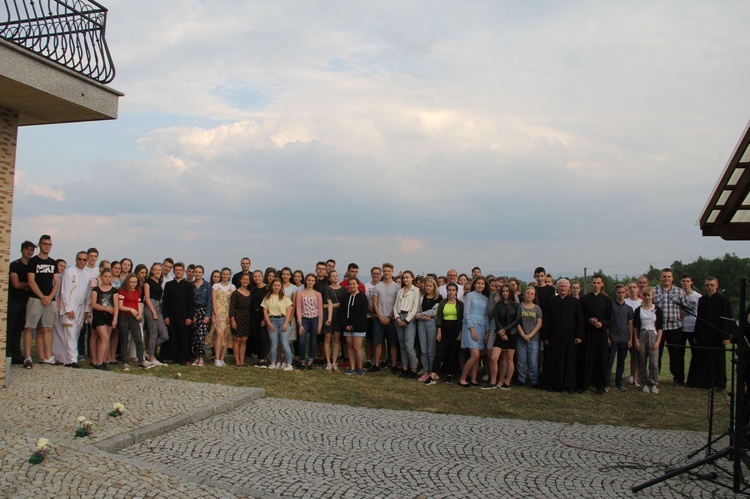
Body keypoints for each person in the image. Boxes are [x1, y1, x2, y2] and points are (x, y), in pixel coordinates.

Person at [689, 276, 732, 391]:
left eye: (712, 285)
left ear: (717, 285)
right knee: (704, 359)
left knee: (718, 361)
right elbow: (699, 318)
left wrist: (725, 336)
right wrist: (696, 335)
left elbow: (727, 319)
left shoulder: (724, 301)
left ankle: (720, 384)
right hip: (704, 335)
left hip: (718, 336)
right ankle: (705, 382)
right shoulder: (702, 300)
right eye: (707, 285)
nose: (709, 287)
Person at [540, 279, 584, 393]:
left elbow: (580, 320)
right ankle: (555, 384)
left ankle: (569, 385)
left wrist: (579, 336)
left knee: (570, 361)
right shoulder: (551, 301)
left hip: (570, 338)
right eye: (561, 286)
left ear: (568, 288)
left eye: (565, 286)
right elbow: (546, 321)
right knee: (554, 361)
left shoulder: (575, 302)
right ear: (557, 288)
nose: (563, 288)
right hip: (554, 337)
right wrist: (545, 337)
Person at [23, 235, 59, 369]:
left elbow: (56, 282)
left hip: (50, 300)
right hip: (35, 299)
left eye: (49, 244)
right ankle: (27, 357)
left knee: (48, 328)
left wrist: (49, 297)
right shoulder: (33, 261)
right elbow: (31, 281)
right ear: (40, 245)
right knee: (29, 328)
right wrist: (42, 296)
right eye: (44, 244)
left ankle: (47, 356)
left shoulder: (53, 262)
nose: (47, 247)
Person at [52, 251, 91, 367]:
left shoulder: (87, 274)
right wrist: (69, 308)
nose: (82, 261)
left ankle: (67, 357)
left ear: (87, 261)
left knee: (76, 332)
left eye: (84, 260)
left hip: (81, 307)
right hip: (70, 308)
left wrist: (87, 310)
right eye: (80, 259)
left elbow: (88, 293)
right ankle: (73, 359)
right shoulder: (69, 272)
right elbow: (64, 291)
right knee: (70, 332)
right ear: (76, 259)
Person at [652, 268, 689, 387]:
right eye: (664, 276)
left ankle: (678, 379)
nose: (666, 279)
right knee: (656, 353)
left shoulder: (679, 292)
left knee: (676, 354)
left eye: (668, 276)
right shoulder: (654, 290)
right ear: (660, 278)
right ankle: (654, 378)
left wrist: (678, 318)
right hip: (658, 328)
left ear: (672, 278)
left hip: (675, 327)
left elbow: (684, 309)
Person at [579, 274, 613, 394]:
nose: (596, 285)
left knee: (601, 359)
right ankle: (585, 384)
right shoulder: (584, 299)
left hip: (601, 334)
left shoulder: (607, 300)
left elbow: (611, 319)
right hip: (588, 334)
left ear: (602, 284)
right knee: (586, 359)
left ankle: (600, 385)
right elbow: (580, 317)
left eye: (598, 283)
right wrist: (589, 320)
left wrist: (601, 324)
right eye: (594, 283)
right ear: (591, 284)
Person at [429, 283, 464, 385]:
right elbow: (439, 317)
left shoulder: (460, 304)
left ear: (456, 292)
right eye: (449, 290)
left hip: (455, 328)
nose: (451, 292)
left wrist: (460, 332)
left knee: (453, 352)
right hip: (444, 328)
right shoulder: (442, 303)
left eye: (453, 290)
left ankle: (450, 375)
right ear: (447, 291)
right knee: (440, 351)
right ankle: (434, 373)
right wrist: (439, 331)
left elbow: (461, 319)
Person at [7, 240, 35, 365]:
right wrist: (30, 285)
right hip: (14, 301)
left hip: (27, 301)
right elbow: (16, 284)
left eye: (31, 249)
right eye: (27, 249)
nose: (29, 252)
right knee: (10, 329)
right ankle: (7, 354)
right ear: (22, 250)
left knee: (19, 329)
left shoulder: (32, 266)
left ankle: (16, 355)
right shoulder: (15, 265)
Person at [459, 277, 490, 387]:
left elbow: (486, 316)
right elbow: (466, 314)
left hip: (482, 327)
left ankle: (473, 378)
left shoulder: (485, 299)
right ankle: (463, 378)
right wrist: (472, 330)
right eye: (478, 283)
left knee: (478, 355)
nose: (480, 285)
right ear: (474, 284)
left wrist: (487, 331)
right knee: (475, 355)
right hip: (470, 326)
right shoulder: (469, 296)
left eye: (482, 284)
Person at [489, 283, 521, 390]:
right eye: (503, 291)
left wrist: (505, 330)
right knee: (493, 358)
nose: (505, 293)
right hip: (500, 335)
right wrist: (501, 332)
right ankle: (493, 381)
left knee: (509, 359)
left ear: (511, 292)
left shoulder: (516, 305)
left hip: (512, 334)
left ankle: (506, 382)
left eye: (507, 291)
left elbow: (516, 320)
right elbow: (496, 319)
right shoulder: (499, 304)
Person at [163, 263, 195, 366]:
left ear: (183, 271)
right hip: (172, 315)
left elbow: (191, 302)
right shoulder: (169, 285)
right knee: (173, 337)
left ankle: (183, 358)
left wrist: (190, 316)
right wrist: (166, 316)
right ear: (174, 271)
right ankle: (174, 358)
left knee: (184, 337)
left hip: (184, 316)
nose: (178, 272)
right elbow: (165, 302)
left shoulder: (188, 285)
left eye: (180, 270)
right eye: (176, 270)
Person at [634, 286, 663, 394]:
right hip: (642, 334)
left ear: (652, 296)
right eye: (645, 295)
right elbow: (636, 327)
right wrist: (636, 340)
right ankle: (644, 383)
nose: (647, 297)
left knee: (653, 362)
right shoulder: (638, 310)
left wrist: (657, 342)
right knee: (641, 360)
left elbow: (660, 327)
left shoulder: (657, 310)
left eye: (649, 295)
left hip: (653, 335)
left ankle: (653, 383)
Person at [372, 263, 400, 372]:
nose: (386, 273)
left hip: (392, 319)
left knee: (393, 343)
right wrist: (380, 317)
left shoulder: (397, 287)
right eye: (385, 271)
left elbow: (396, 304)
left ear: (392, 272)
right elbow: (375, 303)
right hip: (379, 319)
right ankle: (377, 364)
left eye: (388, 271)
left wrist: (389, 316)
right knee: (378, 342)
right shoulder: (378, 286)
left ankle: (393, 365)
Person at [393, 270, 421, 378]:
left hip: (410, 318)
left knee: (409, 345)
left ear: (412, 278)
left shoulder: (416, 290)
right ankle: (404, 367)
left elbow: (415, 308)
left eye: (407, 277)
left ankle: (413, 368)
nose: (405, 279)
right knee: (402, 344)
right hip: (400, 316)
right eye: (404, 278)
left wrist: (406, 320)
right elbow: (395, 306)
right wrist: (397, 318)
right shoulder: (400, 291)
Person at [262, 278, 294, 371]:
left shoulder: (284, 297)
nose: (276, 287)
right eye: (275, 285)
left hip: (283, 320)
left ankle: (289, 364)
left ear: (281, 287)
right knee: (274, 343)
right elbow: (265, 312)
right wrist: (269, 324)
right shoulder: (267, 297)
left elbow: (288, 311)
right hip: (272, 321)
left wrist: (285, 323)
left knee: (285, 343)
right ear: (272, 286)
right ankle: (273, 362)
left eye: (278, 285)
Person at [117, 273, 146, 371]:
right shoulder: (122, 291)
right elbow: (120, 305)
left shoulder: (137, 291)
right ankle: (125, 361)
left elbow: (138, 304)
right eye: (131, 282)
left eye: (135, 282)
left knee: (138, 338)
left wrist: (139, 314)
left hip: (134, 317)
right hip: (124, 316)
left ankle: (141, 360)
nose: (133, 284)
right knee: (124, 339)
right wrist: (130, 309)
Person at [90, 268, 118, 370]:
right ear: (101, 277)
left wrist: (115, 319)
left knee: (106, 339)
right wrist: (106, 309)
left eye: (109, 277)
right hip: (99, 316)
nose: (107, 278)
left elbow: (116, 306)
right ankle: (99, 362)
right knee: (104, 338)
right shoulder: (96, 290)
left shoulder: (114, 290)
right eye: (105, 276)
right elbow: (93, 304)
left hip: (109, 317)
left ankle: (102, 360)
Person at [608, 284, 634, 392]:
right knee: (609, 362)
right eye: (619, 292)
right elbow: (608, 323)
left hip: (624, 338)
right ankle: (606, 383)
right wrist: (608, 337)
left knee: (621, 362)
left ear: (626, 293)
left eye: (623, 292)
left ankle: (619, 383)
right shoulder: (610, 306)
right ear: (615, 293)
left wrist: (630, 339)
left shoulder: (629, 308)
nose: (621, 294)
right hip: (613, 338)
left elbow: (630, 324)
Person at [516, 286, 542, 388]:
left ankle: (534, 381)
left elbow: (539, 323)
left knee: (533, 361)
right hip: (521, 338)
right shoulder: (519, 307)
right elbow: (517, 322)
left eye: (532, 294)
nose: (529, 295)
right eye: (528, 293)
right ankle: (521, 380)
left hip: (534, 339)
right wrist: (523, 334)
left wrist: (530, 335)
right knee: (521, 360)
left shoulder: (537, 308)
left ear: (534, 296)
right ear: (524, 294)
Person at [296, 273, 323, 369]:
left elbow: (320, 310)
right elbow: (298, 309)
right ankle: (302, 360)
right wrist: (300, 324)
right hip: (304, 319)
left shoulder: (318, 294)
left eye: (313, 280)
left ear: (315, 282)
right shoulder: (300, 294)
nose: (310, 282)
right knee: (302, 341)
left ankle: (311, 360)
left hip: (315, 319)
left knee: (313, 341)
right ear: (306, 281)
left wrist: (320, 325)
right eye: (309, 280)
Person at [143, 263, 168, 366]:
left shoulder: (159, 281)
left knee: (165, 335)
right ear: (152, 271)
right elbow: (147, 298)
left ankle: (148, 351)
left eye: (159, 270)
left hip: (159, 307)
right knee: (153, 333)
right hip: (151, 307)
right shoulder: (148, 282)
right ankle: (152, 357)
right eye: (156, 270)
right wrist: (153, 311)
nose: (158, 272)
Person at [416, 277, 440, 383]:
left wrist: (421, 315)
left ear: (434, 287)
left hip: (432, 323)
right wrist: (421, 316)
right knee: (423, 349)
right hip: (421, 323)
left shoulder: (438, 298)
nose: (428, 288)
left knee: (431, 349)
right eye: (427, 286)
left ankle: (432, 371)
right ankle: (425, 370)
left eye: (430, 286)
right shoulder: (421, 297)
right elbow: (416, 310)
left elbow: (434, 311)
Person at [342, 277, 369, 376]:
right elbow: (342, 312)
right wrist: (346, 325)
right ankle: (352, 367)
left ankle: (360, 368)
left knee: (357, 347)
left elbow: (363, 313)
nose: (352, 286)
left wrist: (354, 326)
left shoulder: (362, 297)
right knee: (350, 347)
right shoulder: (346, 297)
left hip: (359, 326)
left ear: (358, 285)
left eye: (354, 284)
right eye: (350, 284)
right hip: (347, 327)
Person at [209, 267, 235, 367]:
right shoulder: (216, 286)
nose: (225, 276)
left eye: (227, 274)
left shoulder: (232, 287)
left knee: (226, 335)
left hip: (228, 314)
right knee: (219, 334)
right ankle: (216, 358)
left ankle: (222, 358)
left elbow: (232, 303)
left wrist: (231, 316)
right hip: (218, 313)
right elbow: (214, 301)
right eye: (224, 274)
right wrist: (216, 315)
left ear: (230, 275)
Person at [229, 273, 252, 366]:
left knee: (244, 340)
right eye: (244, 279)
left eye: (247, 279)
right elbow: (232, 308)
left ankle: (242, 361)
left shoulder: (250, 293)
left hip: (247, 318)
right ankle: (237, 361)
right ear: (240, 280)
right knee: (237, 340)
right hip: (237, 317)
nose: (246, 281)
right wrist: (232, 320)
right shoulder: (235, 293)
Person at [625, 281, 643, 387]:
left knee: (636, 355)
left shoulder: (641, 302)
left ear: (637, 289)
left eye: (634, 287)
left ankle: (636, 375)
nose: (632, 289)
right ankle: (630, 374)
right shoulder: (626, 302)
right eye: (630, 288)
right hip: (625, 330)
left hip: (637, 331)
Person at [250, 270, 270, 367]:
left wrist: (265, 319)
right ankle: (259, 358)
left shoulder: (267, 288)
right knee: (256, 337)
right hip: (254, 315)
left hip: (264, 315)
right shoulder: (253, 289)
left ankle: (264, 358)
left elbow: (270, 304)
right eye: (255, 277)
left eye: (259, 276)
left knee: (264, 337)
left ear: (262, 277)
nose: (257, 278)